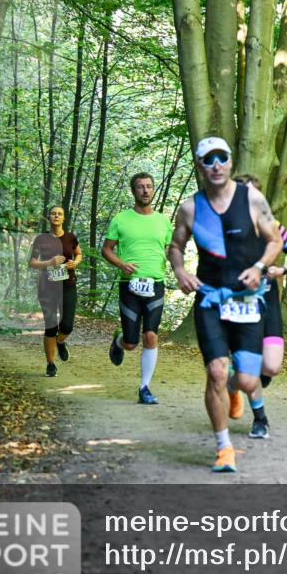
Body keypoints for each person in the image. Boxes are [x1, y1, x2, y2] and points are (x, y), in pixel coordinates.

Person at [168, 138, 283, 472]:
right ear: (200, 165)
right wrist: (179, 271)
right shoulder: (190, 208)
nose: (216, 164)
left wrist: (259, 268)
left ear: (230, 162)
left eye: (221, 158)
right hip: (210, 300)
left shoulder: (252, 199)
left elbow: (276, 240)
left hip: (248, 301)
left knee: (247, 377)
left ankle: (236, 391)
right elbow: (175, 246)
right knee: (216, 371)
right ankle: (224, 447)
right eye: (208, 159)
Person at [229, 175, 287, 439]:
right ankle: (260, 420)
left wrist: (281, 269)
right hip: (239, 303)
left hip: (268, 301)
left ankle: (233, 380)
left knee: (270, 368)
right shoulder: (227, 228)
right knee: (248, 368)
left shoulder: (275, 227)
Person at [101, 172, 173, 405]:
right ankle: (120, 340)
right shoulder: (121, 219)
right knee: (132, 343)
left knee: (151, 335)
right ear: (133, 191)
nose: (145, 190)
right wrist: (121, 264)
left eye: (149, 186)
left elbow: (171, 250)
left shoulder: (163, 221)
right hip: (129, 286)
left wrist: (181, 270)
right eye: (140, 187)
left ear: (153, 190)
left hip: (155, 285)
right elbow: (107, 250)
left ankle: (144, 387)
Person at [28, 205, 82, 377]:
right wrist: (49, 262)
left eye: (60, 214)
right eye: (53, 213)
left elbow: (78, 254)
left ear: (64, 218)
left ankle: (60, 342)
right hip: (47, 288)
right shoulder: (41, 239)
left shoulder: (70, 237)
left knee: (67, 326)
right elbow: (32, 263)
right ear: (49, 217)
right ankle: (50, 364)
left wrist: (76, 262)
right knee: (51, 327)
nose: (56, 216)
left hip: (68, 286)